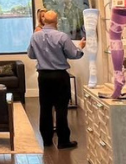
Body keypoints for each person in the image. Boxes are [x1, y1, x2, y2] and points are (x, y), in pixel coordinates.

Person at [27, 9, 85, 148]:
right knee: (61, 108)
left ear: (44, 20)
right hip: (60, 76)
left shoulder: (35, 36)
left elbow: (31, 55)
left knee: (45, 108)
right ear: (57, 21)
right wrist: (81, 47)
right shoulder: (62, 36)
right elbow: (73, 54)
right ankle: (63, 140)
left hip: (43, 77)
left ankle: (46, 140)